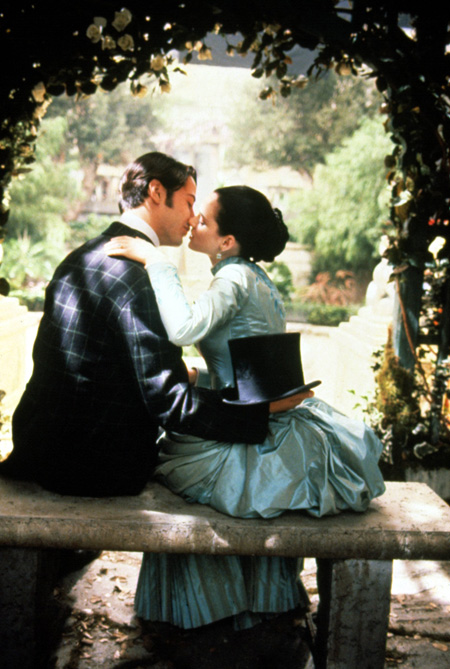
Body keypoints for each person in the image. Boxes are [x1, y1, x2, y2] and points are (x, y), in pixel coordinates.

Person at [105, 185, 386, 630]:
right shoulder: (254, 277)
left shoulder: (234, 278)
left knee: (175, 471)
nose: (195, 220)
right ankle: (255, 603)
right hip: (253, 410)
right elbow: (241, 358)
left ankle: (207, 610)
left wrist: (159, 263)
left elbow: (183, 328)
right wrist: (200, 375)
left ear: (226, 242)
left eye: (206, 219)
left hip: (249, 424)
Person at [0, 153, 302, 497]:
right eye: (189, 203)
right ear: (156, 192)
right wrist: (258, 414)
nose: (193, 218)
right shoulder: (138, 277)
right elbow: (169, 402)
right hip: (98, 467)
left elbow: (91, 367)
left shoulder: (80, 257)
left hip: (39, 448)